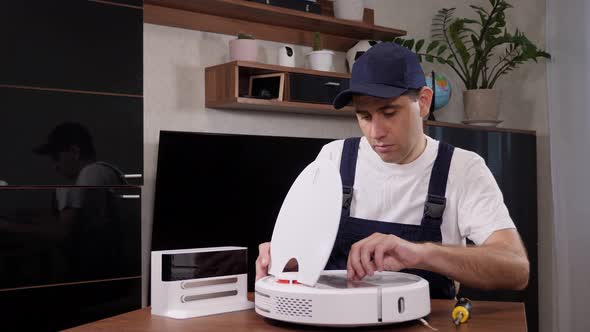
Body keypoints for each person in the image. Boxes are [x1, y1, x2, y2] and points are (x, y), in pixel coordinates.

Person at [255, 42, 529, 299]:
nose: (376, 133)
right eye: (364, 116)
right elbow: (299, 250)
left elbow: (516, 269)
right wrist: (283, 258)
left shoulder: (463, 169)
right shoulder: (333, 158)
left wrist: (421, 254)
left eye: (389, 113)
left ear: (423, 101)